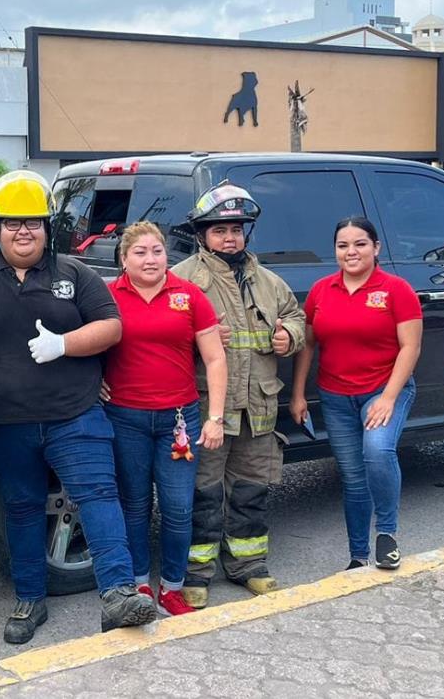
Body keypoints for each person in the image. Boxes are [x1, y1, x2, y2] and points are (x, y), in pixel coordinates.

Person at [0, 170, 156, 644]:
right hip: (6, 422)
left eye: (33, 222)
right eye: (11, 223)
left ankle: (118, 594)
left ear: (48, 228)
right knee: (22, 507)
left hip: (75, 414)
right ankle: (30, 599)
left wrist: (65, 344)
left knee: (97, 496)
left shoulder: (76, 274)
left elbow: (111, 327)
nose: (23, 231)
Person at [170, 182, 306, 608]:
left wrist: (290, 335)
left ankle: (249, 565)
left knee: (251, 490)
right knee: (203, 492)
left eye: (236, 229)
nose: (229, 237)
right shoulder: (183, 279)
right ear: (201, 234)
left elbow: (297, 317)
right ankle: (197, 573)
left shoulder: (269, 282)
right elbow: (159, 337)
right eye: (219, 230)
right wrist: (194, 338)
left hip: (259, 409)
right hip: (209, 408)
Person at [101, 221, 228, 615]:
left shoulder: (189, 296)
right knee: (134, 505)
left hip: (179, 421)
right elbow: (84, 344)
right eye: (139, 252)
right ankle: (139, 583)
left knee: (177, 506)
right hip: (125, 417)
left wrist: (215, 418)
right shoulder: (106, 296)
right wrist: (93, 383)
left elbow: (215, 357)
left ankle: (172, 587)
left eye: (157, 251)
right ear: (124, 259)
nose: (150, 259)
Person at [291, 217, 421, 572]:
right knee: (352, 477)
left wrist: (388, 398)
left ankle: (388, 534)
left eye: (360, 243)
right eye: (343, 245)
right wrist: (299, 393)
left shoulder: (397, 290)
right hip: (335, 397)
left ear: (376, 248)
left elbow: (410, 347)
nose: (351, 252)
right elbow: (308, 344)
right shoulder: (321, 290)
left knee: (378, 451)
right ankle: (358, 555)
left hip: (383, 390)